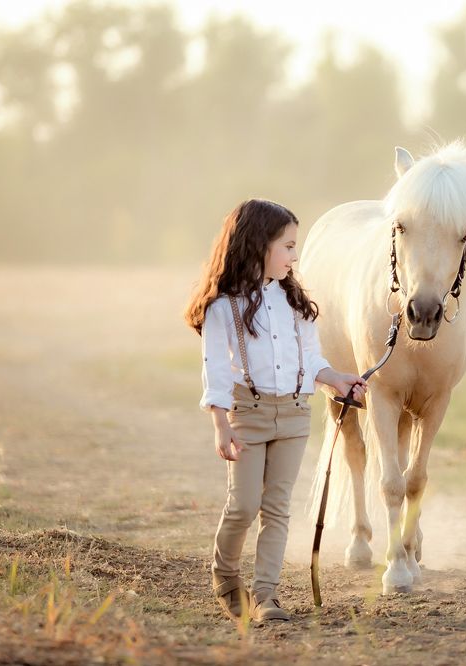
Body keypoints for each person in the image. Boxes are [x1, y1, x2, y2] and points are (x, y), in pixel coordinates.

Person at [184, 198, 367, 622]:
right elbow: (214, 366)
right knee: (244, 506)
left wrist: (338, 380)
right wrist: (220, 424)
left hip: (295, 416)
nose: (295, 255)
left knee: (278, 510)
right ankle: (226, 576)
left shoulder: (295, 302)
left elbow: (311, 358)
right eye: (287, 246)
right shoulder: (223, 305)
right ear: (258, 245)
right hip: (248, 415)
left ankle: (266, 595)